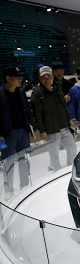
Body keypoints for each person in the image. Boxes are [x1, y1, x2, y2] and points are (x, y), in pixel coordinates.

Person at [31, 66, 77, 171]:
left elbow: (63, 105)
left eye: (49, 76)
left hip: (64, 126)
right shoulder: (37, 93)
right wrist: (41, 130)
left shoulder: (57, 88)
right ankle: (57, 172)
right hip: (51, 129)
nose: (46, 80)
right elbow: (37, 114)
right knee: (54, 154)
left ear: (52, 77)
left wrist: (69, 119)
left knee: (72, 148)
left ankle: (70, 168)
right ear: (39, 78)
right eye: (44, 77)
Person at [0, 66, 34, 195]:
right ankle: (9, 190)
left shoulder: (20, 92)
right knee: (7, 162)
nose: (20, 79)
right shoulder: (1, 94)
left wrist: (32, 126)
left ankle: (24, 186)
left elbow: (26, 110)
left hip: (23, 132)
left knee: (24, 159)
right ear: (8, 78)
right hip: (6, 135)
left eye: (21, 76)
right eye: (17, 76)